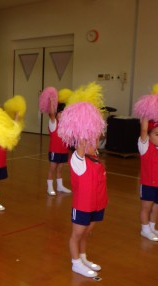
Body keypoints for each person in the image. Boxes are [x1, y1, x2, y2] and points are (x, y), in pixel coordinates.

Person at [69, 138, 107, 278]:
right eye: (89, 141)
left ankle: (83, 258)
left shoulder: (95, 158)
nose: (94, 143)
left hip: (97, 205)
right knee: (77, 235)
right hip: (82, 206)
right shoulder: (78, 161)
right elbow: (82, 144)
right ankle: (76, 263)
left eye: (95, 141)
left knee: (86, 233)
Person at [46, 103, 71, 196]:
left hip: (64, 150)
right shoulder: (53, 123)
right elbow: (51, 113)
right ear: (56, 113)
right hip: (54, 150)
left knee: (60, 168)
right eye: (60, 112)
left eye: (64, 113)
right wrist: (52, 102)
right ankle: (50, 187)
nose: (62, 114)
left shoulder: (66, 125)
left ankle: (60, 186)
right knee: (52, 168)